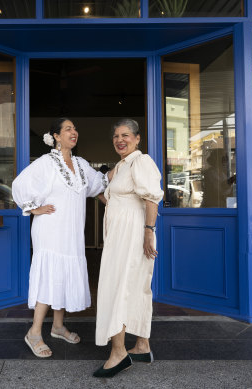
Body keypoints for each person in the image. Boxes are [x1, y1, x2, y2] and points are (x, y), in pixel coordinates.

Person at [12, 118, 108, 358]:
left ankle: (57, 326)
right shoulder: (46, 163)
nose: (74, 132)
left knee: (65, 274)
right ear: (55, 136)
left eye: (75, 128)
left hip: (72, 231)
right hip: (50, 229)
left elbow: (99, 185)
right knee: (50, 275)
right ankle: (34, 332)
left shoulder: (81, 164)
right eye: (68, 129)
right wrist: (33, 208)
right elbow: (20, 184)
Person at [93, 118, 164, 378]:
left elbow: (152, 199)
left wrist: (148, 232)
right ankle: (142, 345)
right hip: (120, 233)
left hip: (133, 234)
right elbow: (109, 196)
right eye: (115, 136)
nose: (119, 140)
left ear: (137, 138)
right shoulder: (121, 167)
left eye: (125, 135)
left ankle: (119, 352)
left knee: (119, 287)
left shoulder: (141, 161)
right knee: (135, 287)